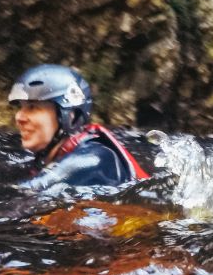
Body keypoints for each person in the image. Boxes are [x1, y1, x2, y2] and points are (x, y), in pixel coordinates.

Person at [9, 64, 149, 189]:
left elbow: (27, 192)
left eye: (33, 107)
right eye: (21, 107)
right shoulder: (47, 160)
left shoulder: (94, 158)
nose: (19, 117)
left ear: (71, 116)